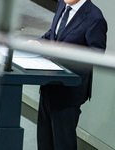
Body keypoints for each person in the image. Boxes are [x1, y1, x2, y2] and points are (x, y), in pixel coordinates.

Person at [28, 0, 107, 150]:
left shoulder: (95, 18)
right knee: (44, 142)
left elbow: (96, 55)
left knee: (62, 144)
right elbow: (53, 34)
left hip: (68, 93)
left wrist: (64, 54)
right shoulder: (62, 5)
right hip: (48, 86)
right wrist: (37, 43)